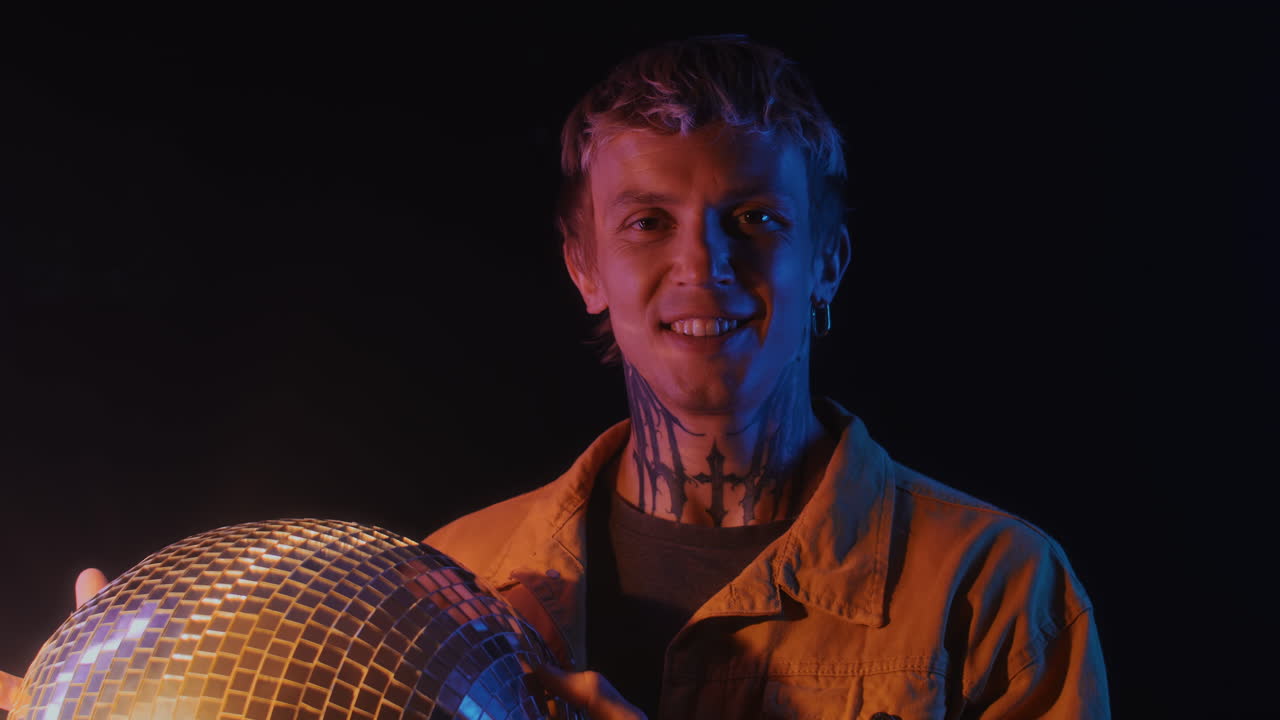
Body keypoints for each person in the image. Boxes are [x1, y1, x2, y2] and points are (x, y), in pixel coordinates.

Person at [0, 35, 1109, 719]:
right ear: (585, 266)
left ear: (825, 261)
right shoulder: (450, 580)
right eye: (646, 223)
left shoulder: (994, 591)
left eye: (756, 219)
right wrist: (147, 686)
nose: (701, 266)